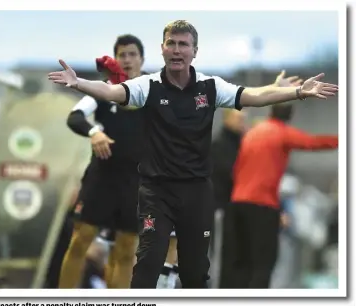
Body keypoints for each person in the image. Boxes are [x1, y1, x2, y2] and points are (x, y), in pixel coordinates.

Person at [48, 19, 339, 288]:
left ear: (194, 51)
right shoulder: (147, 85)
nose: (177, 50)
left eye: (183, 44)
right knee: (148, 262)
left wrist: (298, 92)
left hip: (197, 193)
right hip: (156, 192)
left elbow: (254, 96)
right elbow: (111, 92)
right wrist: (79, 83)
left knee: (194, 271)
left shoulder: (211, 87)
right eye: (171, 43)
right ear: (162, 49)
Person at [58, 34, 146, 288]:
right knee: (81, 239)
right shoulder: (104, 89)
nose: (127, 60)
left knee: (127, 248)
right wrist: (94, 132)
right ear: (115, 59)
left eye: (132, 54)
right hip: (103, 176)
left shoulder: (154, 91)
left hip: (136, 181)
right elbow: (75, 117)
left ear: (142, 59)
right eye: (122, 55)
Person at [219, 102, 338, 288]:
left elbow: (237, 170)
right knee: (263, 263)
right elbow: (313, 143)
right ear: (290, 115)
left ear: (270, 110)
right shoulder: (281, 132)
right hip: (262, 205)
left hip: (237, 204)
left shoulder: (251, 134)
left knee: (240, 262)